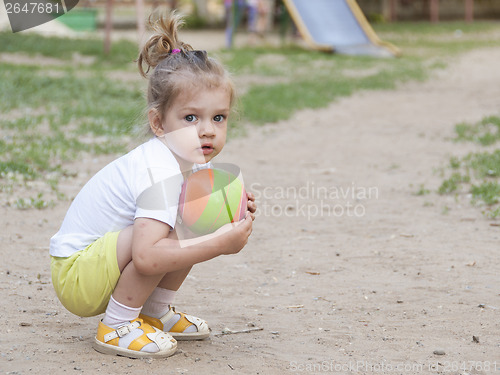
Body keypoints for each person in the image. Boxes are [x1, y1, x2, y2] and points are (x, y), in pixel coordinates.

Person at [49, 12, 256, 359]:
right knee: (181, 225)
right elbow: (146, 257)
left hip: (98, 266)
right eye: (191, 118)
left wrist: (229, 207)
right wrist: (220, 243)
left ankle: (153, 312)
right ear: (159, 123)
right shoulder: (159, 167)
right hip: (77, 275)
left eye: (217, 117)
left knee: (195, 214)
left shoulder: (189, 161)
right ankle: (116, 324)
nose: (207, 130)